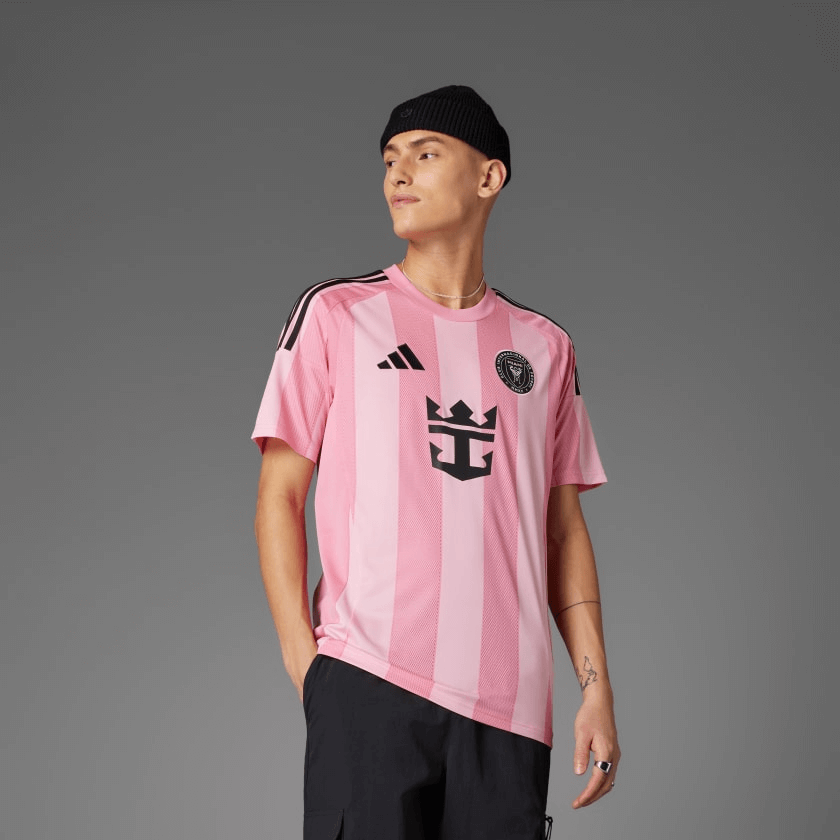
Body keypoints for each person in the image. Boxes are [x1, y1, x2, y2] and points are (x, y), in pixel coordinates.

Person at [252, 84, 621, 840]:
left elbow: (562, 530)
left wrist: (596, 688)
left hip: (511, 710)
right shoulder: (337, 314)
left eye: (425, 154)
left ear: (489, 176)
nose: (398, 172)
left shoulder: (545, 349)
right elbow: (279, 496)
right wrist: (307, 664)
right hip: (368, 680)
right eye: (390, 158)